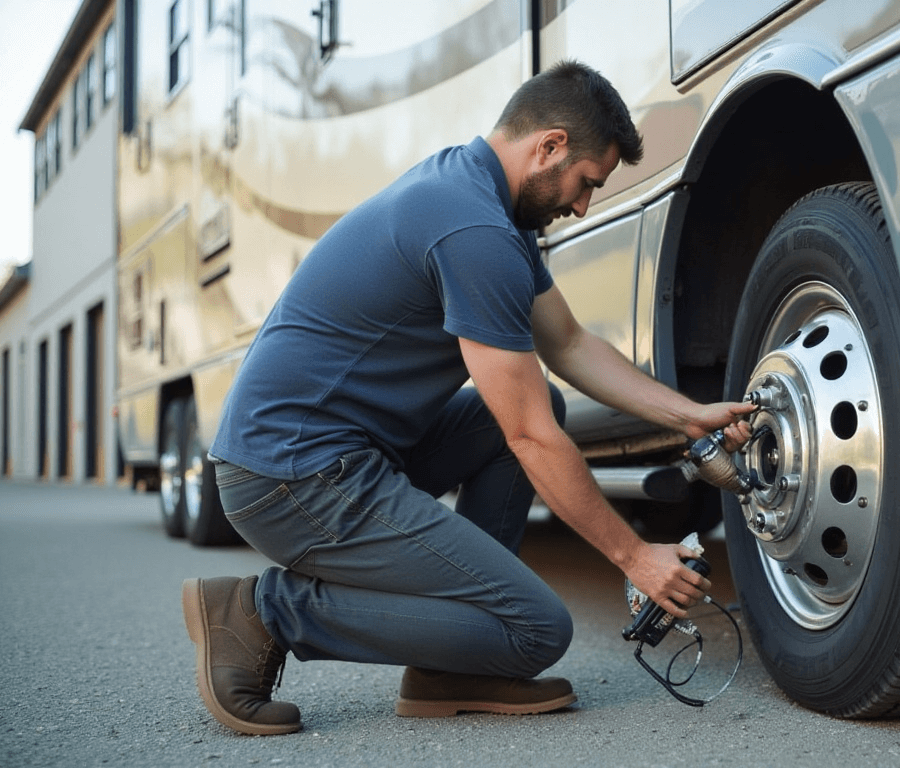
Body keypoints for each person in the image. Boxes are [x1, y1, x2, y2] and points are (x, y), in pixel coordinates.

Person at [182, 60, 755, 736]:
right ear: (548, 147)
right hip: (290, 474)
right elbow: (530, 438)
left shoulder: (478, 199)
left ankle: (453, 661)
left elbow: (567, 344)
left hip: (336, 453)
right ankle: (263, 612)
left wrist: (689, 416)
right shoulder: (475, 231)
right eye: (585, 183)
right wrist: (636, 558)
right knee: (536, 631)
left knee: (537, 399)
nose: (581, 206)